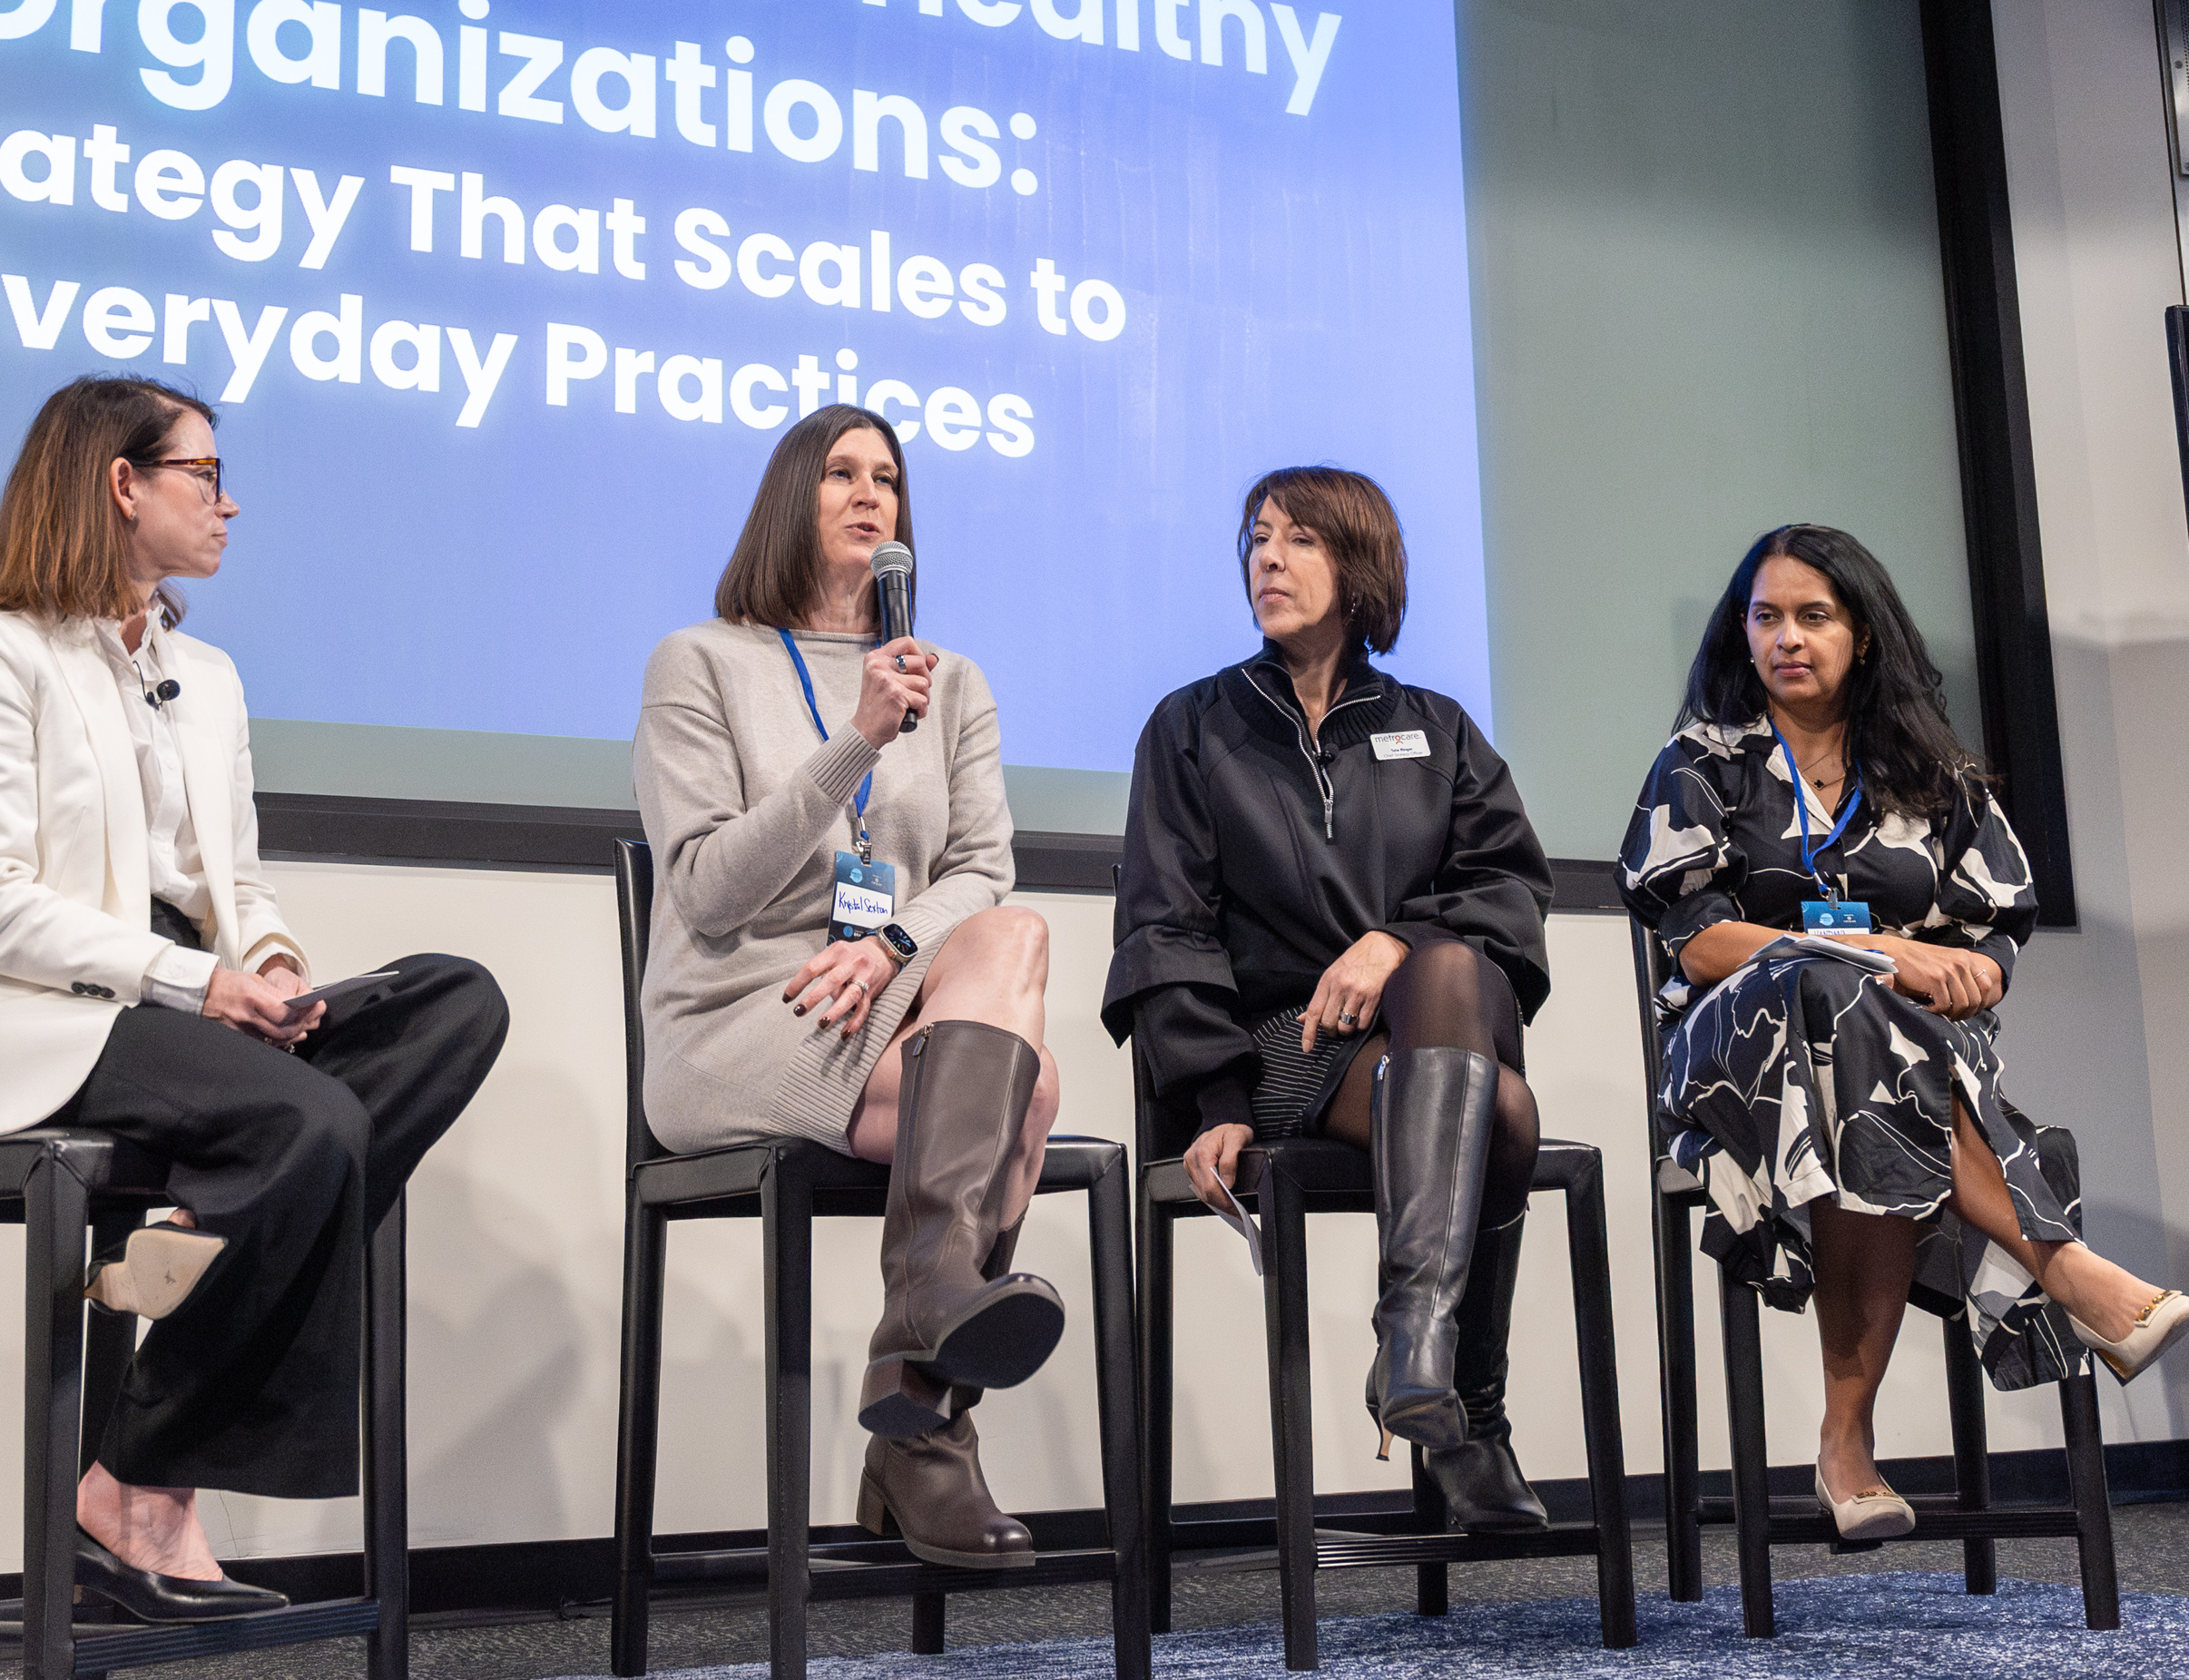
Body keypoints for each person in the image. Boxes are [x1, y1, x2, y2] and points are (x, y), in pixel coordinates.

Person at [0, 375, 510, 1622]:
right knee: (312, 1130)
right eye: (205, 474)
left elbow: (235, 880)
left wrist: (270, 964)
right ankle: (136, 1481)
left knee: (456, 999)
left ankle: (216, 1215)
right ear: (122, 482)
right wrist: (196, 979)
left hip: (198, 1010)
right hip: (58, 1014)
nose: (233, 501)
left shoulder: (208, 675)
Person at [1617, 524, 2189, 1546]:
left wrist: (1964, 971)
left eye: (1812, 616)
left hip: (1894, 1071)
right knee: (1842, 999)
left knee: (1872, 1079)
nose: (1785, 638)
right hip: (1735, 1064)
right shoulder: (1703, 760)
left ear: (1863, 635)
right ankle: (2064, 1268)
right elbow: (1697, 942)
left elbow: (1990, 935)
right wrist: (1885, 955)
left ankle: (1847, 1446)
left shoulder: (1931, 775)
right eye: (1765, 617)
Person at [632, 405, 1064, 1571]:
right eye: (839, 473)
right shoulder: (700, 663)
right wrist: (856, 741)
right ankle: (926, 1423)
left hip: (879, 998)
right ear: (791, 496)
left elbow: (979, 868)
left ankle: (920, 1356)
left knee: (1012, 932)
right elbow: (711, 893)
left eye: (887, 477)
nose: (869, 494)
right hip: (737, 1016)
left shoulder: (952, 678)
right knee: (1028, 1093)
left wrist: (886, 949)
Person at [1104, 467, 1560, 1531]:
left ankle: (1415, 1346)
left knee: (1447, 967)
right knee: (1506, 1113)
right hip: (1274, 1051)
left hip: (1413, 1051)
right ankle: (1465, 1410)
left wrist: (1390, 944)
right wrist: (1214, 1100)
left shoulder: (1437, 731)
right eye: (1256, 539)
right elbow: (1161, 924)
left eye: (1298, 540)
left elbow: (1509, 890)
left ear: (1358, 568)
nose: (1266, 558)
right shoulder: (1191, 727)